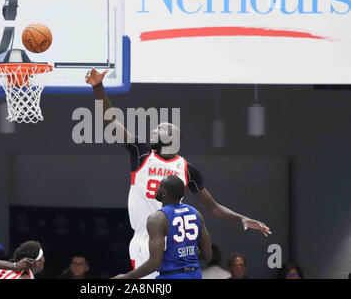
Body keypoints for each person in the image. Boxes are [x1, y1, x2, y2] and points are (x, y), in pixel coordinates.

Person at [85, 68, 272, 278]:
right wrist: (98, 87)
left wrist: (241, 218)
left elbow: (213, 207)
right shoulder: (141, 152)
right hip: (144, 236)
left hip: (169, 241)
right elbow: (111, 123)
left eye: (160, 128)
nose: (154, 130)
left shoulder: (187, 169)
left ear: (172, 138)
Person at [113, 175, 212, 279]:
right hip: (195, 274)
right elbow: (208, 256)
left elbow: (154, 263)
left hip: (172, 275)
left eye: (159, 186)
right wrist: (186, 254)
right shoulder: (196, 213)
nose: (157, 188)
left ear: (164, 193)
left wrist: (126, 277)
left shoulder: (157, 218)